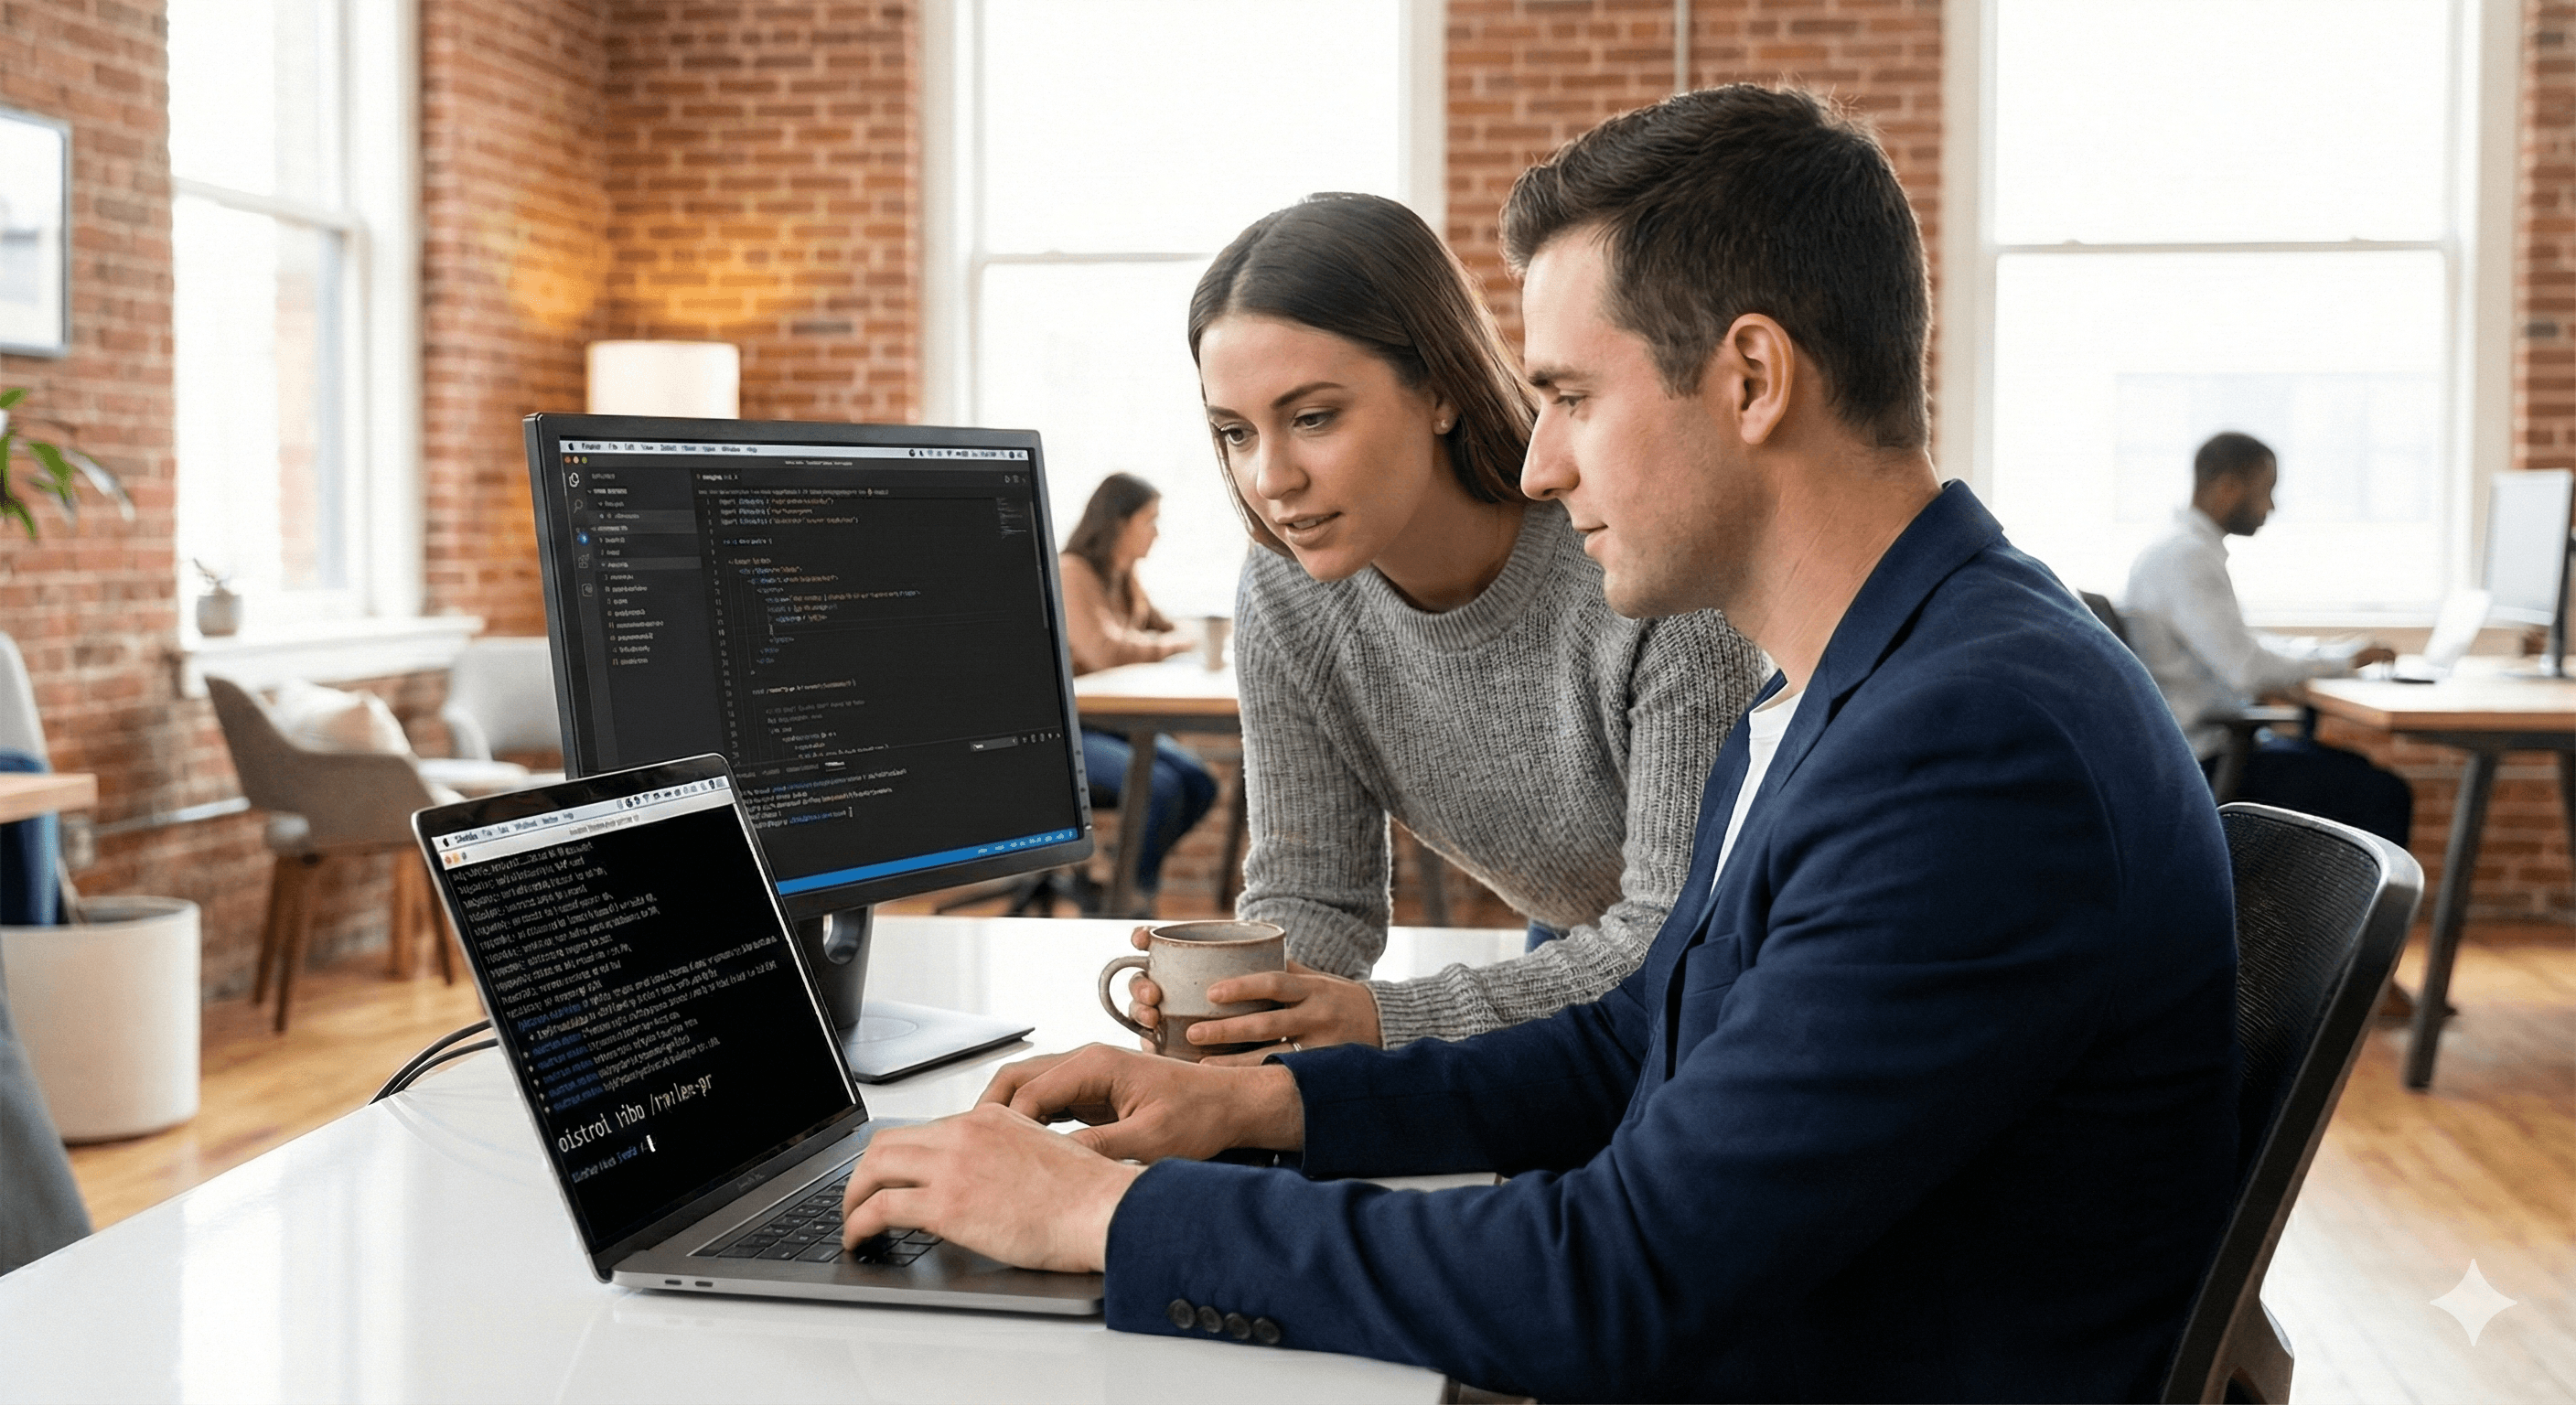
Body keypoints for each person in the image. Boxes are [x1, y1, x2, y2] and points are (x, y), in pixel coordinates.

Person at [838, 87, 2241, 1402]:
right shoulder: (1870, 675)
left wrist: (1110, 1210)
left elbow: (1620, 1280)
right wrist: (1259, 1107)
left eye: (1571, 395)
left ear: (1752, 377)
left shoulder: (1971, 748)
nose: (1537, 461)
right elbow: (1637, 1039)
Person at [1127, 190, 1766, 1056]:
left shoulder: (1641, 570)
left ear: (1437, 389)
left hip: (1739, 975)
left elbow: (1674, 935)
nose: (1271, 478)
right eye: (1235, 433)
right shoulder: (1288, 591)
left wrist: (1382, 1019)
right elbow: (1315, 895)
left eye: (1313, 418)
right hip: (1573, 950)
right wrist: (1248, 1008)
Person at [2121, 431, 2413, 846]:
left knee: (2353, 771)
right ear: (2227, 488)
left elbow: (2238, 645)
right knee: (2382, 793)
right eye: (2266, 491)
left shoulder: (2176, 551)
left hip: (2201, 749)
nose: (2271, 506)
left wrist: (2333, 653)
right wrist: (2343, 661)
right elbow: (2245, 668)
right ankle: (2344, 911)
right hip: (2210, 759)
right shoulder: (2186, 559)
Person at [1059, 473, 1218, 914]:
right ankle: (1127, 893)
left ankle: (1127, 878)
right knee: (1162, 788)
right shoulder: (1072, 571)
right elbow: (1104, 651)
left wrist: (1175, 639)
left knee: (1200, 782)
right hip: (1068, 730)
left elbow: (1168, 631)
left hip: (1114, 723)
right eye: (1150, 520)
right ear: (1118, 523)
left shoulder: (1124, 577)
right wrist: (1168, 645)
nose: (1156, 532)